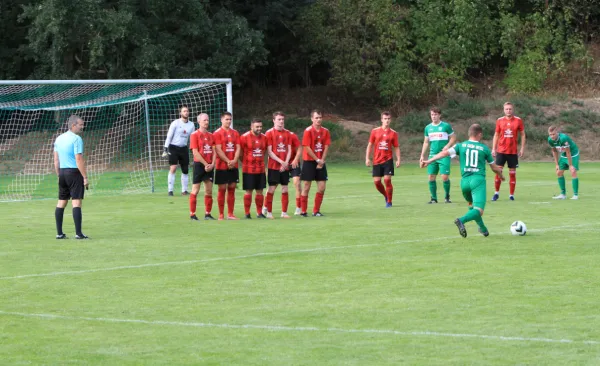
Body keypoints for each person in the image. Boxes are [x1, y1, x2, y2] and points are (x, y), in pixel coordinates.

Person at [421, 124, 505, 238]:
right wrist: (501, 175)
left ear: (469, 134)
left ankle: (483, 229)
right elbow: (494, 167)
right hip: (477, 181)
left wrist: (429, 160)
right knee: (479, 210)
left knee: (471, 205)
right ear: (479, 134)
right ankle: (461, 220)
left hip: (464, 182)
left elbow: (444, 153)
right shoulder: (484, 148)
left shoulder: (460, 146)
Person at [53, 115, 89, 239]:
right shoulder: (76, 139)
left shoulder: (59, 138)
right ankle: (79, 234)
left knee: (61, 202)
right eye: (81, 124)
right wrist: (85, 177)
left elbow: (56, 160)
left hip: (62, 172)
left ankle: (59, 233)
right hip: (74, 173)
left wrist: (58, 174)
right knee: (76, 202)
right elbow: (78, 159)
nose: (82, 127)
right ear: (73, 125)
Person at [420, 106, 456, 203]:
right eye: (432, 114)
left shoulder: (446, 126)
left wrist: (448, 146)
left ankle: (447, 197)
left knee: (444, 176)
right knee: (431, 176)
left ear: (439, 115)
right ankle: (433, 199)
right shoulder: (428, 128)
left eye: (435, 114)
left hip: (444, 154)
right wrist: (422, 155)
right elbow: (426, 142)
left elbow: (453, 138)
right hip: (432, 155)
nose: (434, 116)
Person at [491, 102, 526, 201]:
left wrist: (522, 148)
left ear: (513, 109)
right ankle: (496, 193)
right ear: (503, 110)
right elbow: (496, 135)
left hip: (513, 152)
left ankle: (511, 195)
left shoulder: (518, 120)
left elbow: (523, 134)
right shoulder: (499, 120)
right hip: (501, 151)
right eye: (506, 109)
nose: (508, 111)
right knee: (498, 172)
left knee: (512, 174)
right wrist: (493, 148)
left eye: (510, 109)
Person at [365, 111, 400, 207]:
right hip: (376, 160)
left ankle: (389, 201)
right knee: (377, 182)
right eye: (385, 119)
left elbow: (396, 147)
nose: (387, 121)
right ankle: (386, 195)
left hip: (388, 160)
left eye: (388, 119)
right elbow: (370, 145)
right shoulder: (375, 131)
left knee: (387, 180)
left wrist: (398, 159)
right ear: (381, 120)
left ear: (390, 120)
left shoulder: (393, 133)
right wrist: (367, 158)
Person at [300, 110, 331, 217]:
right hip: (309, 161)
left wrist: (321, 160)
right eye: (316, 117)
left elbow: (326, 146)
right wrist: (317, 160)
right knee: (306, 186)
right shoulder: (308, 131)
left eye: (320, 117)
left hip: (321, 162)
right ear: (312, 119)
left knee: (322, 187)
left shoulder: (325, 131)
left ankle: (316, 211)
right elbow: (306, 147)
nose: (318, 119)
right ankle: (303, 211)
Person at [264, 112, 292, 218]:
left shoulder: (287, 133)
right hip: (273, 166)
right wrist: (281, 162)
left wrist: (286, 163)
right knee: (271, 189)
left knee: (285, 188)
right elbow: (270, 152)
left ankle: (284, 212)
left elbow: (289, 150)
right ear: (273, 120)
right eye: (279, 119)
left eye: (282, 119)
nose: (281, 121)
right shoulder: (269, 133)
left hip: (284, 166)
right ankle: (269, 212)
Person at [213, 112, 241, 220]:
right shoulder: (217, 133)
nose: (228, 121)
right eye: (226, 119)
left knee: (232, 188)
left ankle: (230, 214)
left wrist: (234, 161)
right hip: (221, 165)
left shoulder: (235, 133)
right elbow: (218, 149)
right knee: (222, 189)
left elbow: (238, 148)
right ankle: (221, 214)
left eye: (230, 119)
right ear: (221, 120)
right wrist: (228, 161)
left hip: (233, 165)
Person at [188, 113, 216, 220]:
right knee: (195, 190)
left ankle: (207, 214)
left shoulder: (211, 135)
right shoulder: (194, 135)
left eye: (207, 120)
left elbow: (214, 151)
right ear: (199, 121)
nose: (206, 122)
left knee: (209, 190)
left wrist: (212, 164)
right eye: (204, 120)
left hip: (209, 165)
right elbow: (195, 153)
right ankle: (192, 214)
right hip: (200, 165)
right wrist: (205, 164)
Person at [163, 106, 195, 196]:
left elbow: (192, 138)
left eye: (187, 111)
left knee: (185, 169)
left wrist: (194, 148)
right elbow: (169, 135)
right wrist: (166, 147)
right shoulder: (175, 123)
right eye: (184, 111)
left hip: (184, 148)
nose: (186, 112)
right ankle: (170, 190)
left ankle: (184, 190)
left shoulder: (191, 125)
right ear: (180, 113)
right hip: (173, 147)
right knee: (173, 168)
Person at [240, 119, 268, 219]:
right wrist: (246, 162)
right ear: (251, 126)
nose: (259, 128)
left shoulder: (264, 137)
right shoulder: (244, 137)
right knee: (248, 191)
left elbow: (264, 152)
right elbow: (240, 153)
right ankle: (247, 213)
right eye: (257, 127)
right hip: (248, 169)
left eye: (260, 126)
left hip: (260, 169)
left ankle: (259, 213)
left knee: (260, 191)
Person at [548, 125, 580, 200]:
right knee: (559, 172)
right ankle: (563, 194)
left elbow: (568, 152)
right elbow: (554, 151)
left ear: (557, 133)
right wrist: (556, 164)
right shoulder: (550, 140)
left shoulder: (563, 138)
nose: (552, 136)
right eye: (550, 134)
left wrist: (571, 165)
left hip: (573, 154)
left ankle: (575, 195)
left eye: (553, 134)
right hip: (564, 154)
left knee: (573, 171)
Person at [289, 130, 303, 215]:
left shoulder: (292, 135)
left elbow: (299, 148)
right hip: (281, 163)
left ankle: (298, 207)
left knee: (297, 184)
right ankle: (265, 207)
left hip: (294, 163)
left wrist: (295, 159)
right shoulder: (271, 133)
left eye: (282, 120)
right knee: (273, 185)